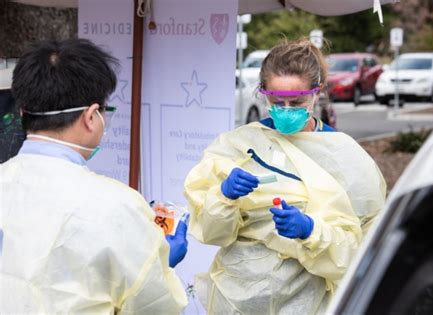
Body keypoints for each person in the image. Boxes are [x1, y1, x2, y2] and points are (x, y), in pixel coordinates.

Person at [184, 38, 386, 314]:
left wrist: (310, 230)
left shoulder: (346, 158)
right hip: (234, 300)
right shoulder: (239, 147)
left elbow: (361, 250)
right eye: (276, 101)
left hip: (306, 302)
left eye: (297, 101)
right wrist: (224, 196)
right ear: (262, 92)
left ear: (318, 92)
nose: (287, 109)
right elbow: (210, 231)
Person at [0, 39, 188, 314]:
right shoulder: (118, 206)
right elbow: (155, 306)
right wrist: (159, 265)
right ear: (91, 117)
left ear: (22, 113)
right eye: (103, 112)